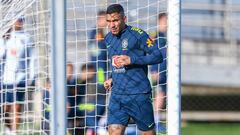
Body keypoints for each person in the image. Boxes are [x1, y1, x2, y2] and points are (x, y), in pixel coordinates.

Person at [103, 4, 163, 135]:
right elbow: (115, 63)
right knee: (114, 131)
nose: (112, 25)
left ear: (124, 19)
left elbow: (157, 56)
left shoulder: (138, 35)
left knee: (147, 133)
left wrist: (132, 60)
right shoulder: (108, 38)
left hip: (138, 95)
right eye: (109, 21)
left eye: (115, 20)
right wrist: (111, 78)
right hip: (117, 96)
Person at [0, 17, 34, 134]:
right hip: (7, 78)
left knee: (17, 107)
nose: (18, 22)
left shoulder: (27, 38)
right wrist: (3, 40)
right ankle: (8, 129)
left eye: (20, 20)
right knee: (5, 108)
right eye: (15, 20)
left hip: (21, 77)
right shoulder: (5, 36)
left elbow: (32, 58)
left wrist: (32, 76)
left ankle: (14, 132)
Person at [150, 13, 167, 134]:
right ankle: (155, 121)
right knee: (159, 95)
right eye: (165, 20)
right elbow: (150, 53)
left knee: (161, 95)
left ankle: (157, 120)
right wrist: (153, 70)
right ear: (159, 21)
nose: (167, 23)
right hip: (157, 71)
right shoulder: (155, 36)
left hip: (164, 71)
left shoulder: (166, 36)